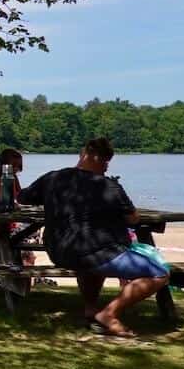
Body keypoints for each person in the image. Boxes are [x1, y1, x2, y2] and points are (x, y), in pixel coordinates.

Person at [19, 137, 167, 337]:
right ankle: (109, 313)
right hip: (94, 251)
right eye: (105, 161)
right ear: (93, 157)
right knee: (159, 273)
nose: (106, 167)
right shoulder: (109, 186)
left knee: (92, 261)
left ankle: (90, 310)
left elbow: (23, 197)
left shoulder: (53, 178)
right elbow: (132, 219)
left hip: (58, 250)